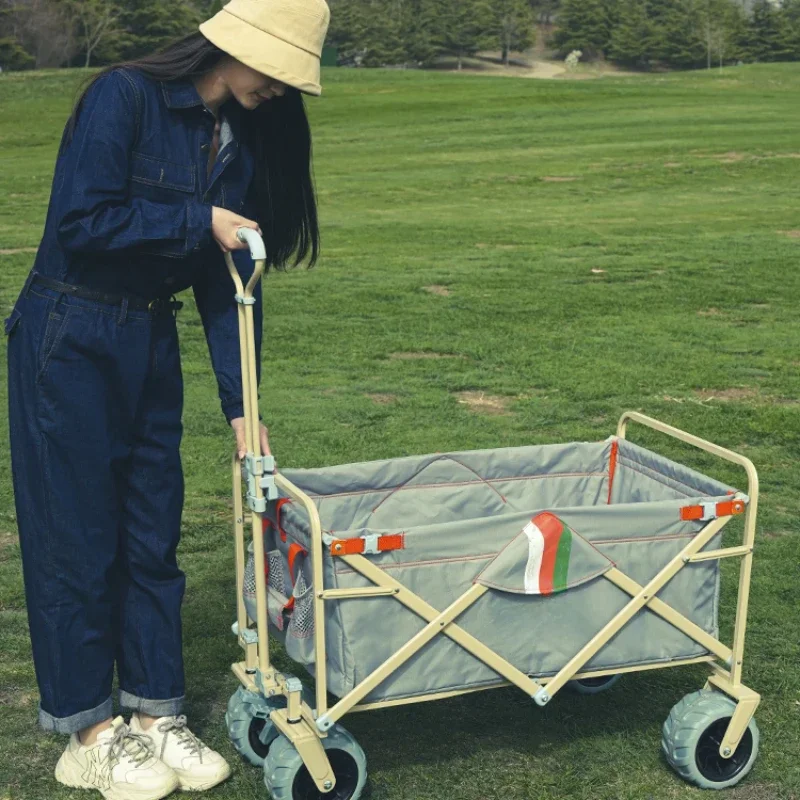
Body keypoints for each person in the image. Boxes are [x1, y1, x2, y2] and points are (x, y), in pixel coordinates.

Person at [3, 0, 330, 797]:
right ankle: (88, 731)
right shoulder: (124, 96)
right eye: (280, 73)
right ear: (236, 46)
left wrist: (243, 409)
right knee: (78, 541)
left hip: (149, 340)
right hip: (67, 333)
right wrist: (197, 217)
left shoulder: (237, 142)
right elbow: (82, 222)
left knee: (152, 533)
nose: (283, 93)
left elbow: (228, 288)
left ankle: (155, 715)